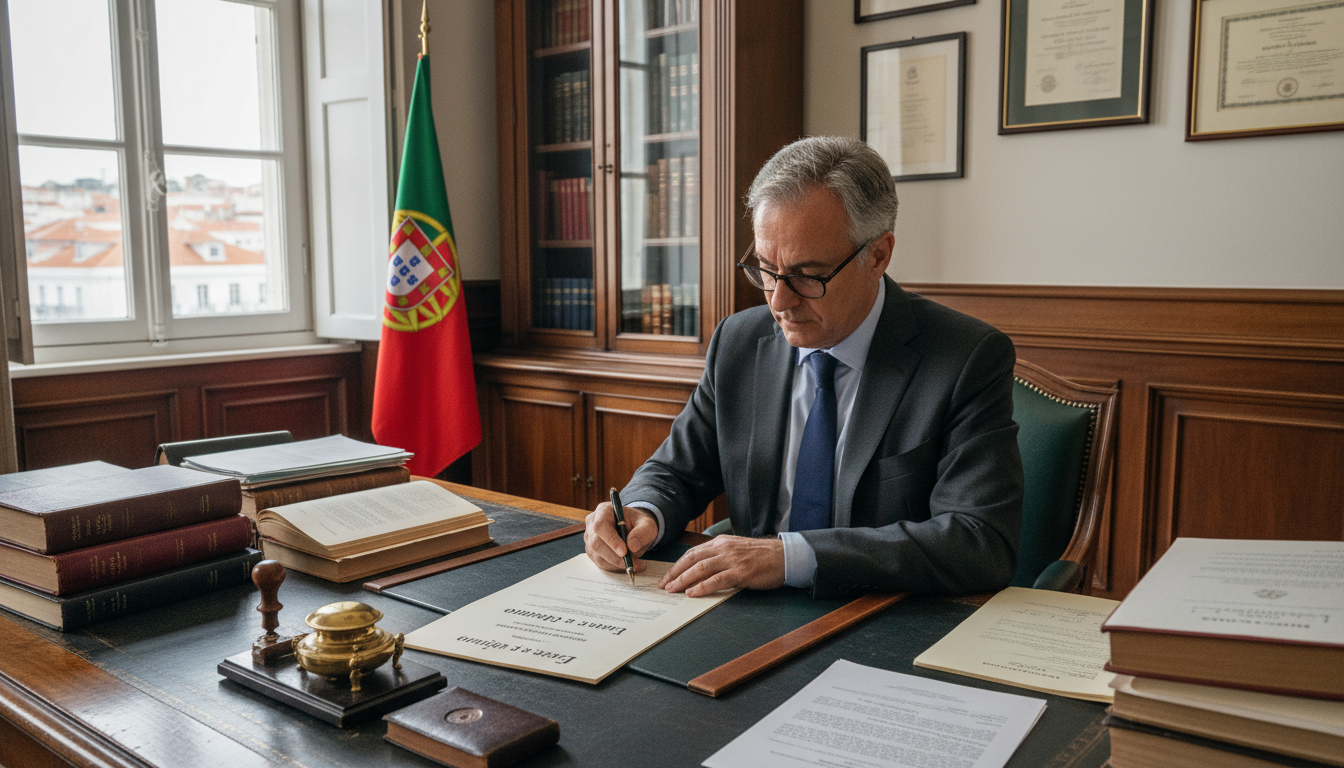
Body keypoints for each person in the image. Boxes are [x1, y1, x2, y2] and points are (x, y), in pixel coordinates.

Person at [584, 136, 1023, 599]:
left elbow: (979, 540)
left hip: (880, 614)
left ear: (878, 255)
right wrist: (641, 511)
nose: (779, 301)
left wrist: (790, 557)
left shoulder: (965, 358)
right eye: (766, 269)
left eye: (807, 276)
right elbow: (677, 470)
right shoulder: (739, 341)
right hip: (745, 611)